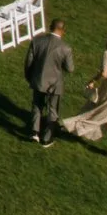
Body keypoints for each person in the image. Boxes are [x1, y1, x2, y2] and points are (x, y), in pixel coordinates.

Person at [23, 18, 74, 146]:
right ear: (63, 30)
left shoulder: (37, 41)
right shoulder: (65, 48)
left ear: (50, 27)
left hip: (39, 80)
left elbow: (28, 62)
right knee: (52, 110)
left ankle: (34, 133)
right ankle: (46, 138)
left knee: (37, 105)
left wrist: (29, 77)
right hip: (55, 84)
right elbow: (70, 68)